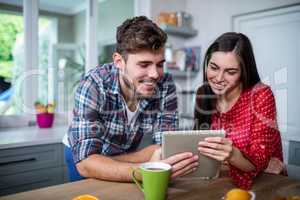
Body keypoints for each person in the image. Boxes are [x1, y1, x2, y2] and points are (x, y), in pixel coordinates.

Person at [63, 16, 199, 182]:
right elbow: (85, 163)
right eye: (144, 65)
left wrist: (110, 162)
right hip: (81, 153)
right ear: (119, 62)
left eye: (159, 64)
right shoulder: (94, 84)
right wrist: (146, 170)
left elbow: (164, 146)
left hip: (122, 155)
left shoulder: (165, 83)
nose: (155, 74)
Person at [193, 32, 285, 189]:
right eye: (213, 67)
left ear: (244, 71)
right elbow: (201, 145)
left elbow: (260, 161)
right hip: (221, 182)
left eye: (230, 72)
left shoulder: (260, 95)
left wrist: (231, 155)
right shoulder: (204, 93)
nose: (219, 78)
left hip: (263, 184)